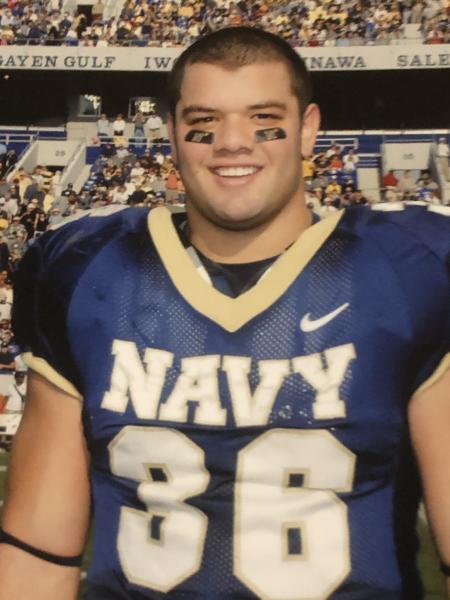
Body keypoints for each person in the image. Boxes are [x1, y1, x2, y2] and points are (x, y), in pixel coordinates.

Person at [0, 26, 449, 600]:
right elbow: (39, 549)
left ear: (308, 129)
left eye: (264, 119)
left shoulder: (407, 271)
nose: (233, 142)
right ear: (173, 135)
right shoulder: (89, 270)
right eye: (204, 123)